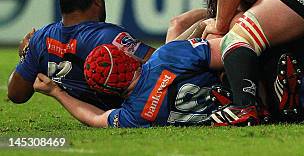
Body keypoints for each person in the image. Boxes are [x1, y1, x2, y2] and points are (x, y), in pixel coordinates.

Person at [7, 0, 154, 109]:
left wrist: (26, 54)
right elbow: (164, 62)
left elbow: (16, 94)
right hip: (132, 114)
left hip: (92, 116)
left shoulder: (41, 39)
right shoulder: (109, 37)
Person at [33, 39, 225, 128]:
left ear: (107, 90)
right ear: (126, 55)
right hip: (244, 94)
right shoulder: (166, 55)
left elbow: (94, 118)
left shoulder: (132, 116)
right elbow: (230, 47)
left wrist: (56, 92)